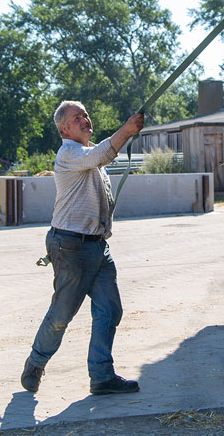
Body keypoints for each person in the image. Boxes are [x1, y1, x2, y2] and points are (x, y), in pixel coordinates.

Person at [21, 100, 144, 395]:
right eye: (77, 118)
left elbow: (100, 156)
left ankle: (101, 376)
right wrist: (127, 130)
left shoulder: (89, 157)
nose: (85, 119)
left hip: (97, 247)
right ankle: (36, 362)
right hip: (70, 246)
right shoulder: (69, 153)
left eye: (86, 115)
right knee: (62, 315)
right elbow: (103, 152)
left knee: (109, 310)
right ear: (64, 129)